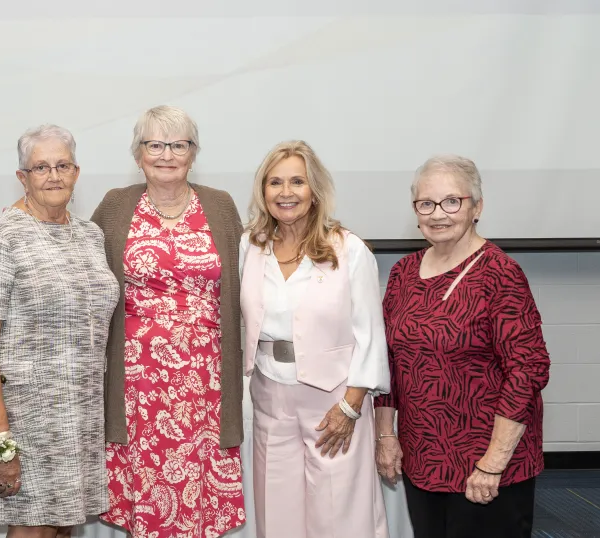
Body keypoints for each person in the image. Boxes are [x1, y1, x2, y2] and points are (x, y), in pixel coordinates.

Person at [375, 155, 550, 538]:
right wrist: (386, 436)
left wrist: (493, 463)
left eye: (452, 201)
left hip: (486, 465)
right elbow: (386, 362)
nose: (438, 213)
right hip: (423, 460)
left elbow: (527, 371)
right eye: (426, 203)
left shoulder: (500, 273)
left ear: (477, 207)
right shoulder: (404, 274)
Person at [91, 105, 246, 538]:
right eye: (155, 144)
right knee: (150, 497)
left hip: (206, 381)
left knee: (197, 497)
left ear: (193, 153)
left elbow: (250, 275)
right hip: (137, 382)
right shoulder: (116, 206)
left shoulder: (219, 205)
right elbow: (78, 257)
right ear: (138, 152)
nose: (166, 154)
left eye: (178, 145)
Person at [0, 125, 120, 538]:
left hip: (81, 416)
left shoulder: (90, 235)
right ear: (23, 176)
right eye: (41, 167)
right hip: (27, 420)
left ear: (76, 172)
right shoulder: (3, 236)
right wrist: (1, 444)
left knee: (64, 527)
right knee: (33, 528)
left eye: (62, 165)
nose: (53, 175)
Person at [239, 140, 389, 538]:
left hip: (334, 401)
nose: (285, 193)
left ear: (315, 191)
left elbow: (371, 336)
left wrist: (351, 407)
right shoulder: (250, 247)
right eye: (275, 183)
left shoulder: (349, 250)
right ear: (263, 192)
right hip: (270, 398)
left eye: (297, 182)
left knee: (339, 514)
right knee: (277, 514)